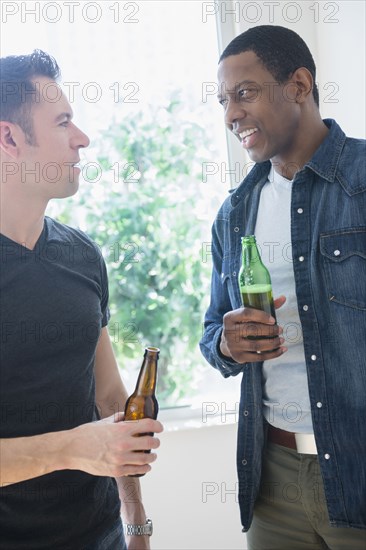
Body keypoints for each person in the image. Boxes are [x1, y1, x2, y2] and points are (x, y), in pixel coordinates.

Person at [200, 25, 366, 549]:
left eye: (244, 93)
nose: (231, 115)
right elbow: (212, 333)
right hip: (272, 479)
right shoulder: (234, 214)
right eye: (224, 101)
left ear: (298, 85)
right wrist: (227, 344)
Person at [0, 50, 163, 550]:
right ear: (9, 138)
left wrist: (135, 520)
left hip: (101, 537)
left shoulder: (83, 255)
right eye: (63, 121)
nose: (83, 138)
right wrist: (76, 448)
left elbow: (112, 401)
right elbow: (91, 444)